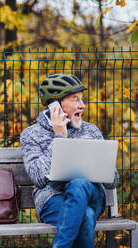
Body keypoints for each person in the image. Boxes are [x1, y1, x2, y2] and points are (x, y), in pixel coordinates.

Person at [20, 73, 119, 248]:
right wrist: (59, 138)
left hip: (92, 196)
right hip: (53, 199)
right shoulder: (31, 134)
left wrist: (100, 164)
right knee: (86, 216)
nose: (83, 105)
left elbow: (113, 181)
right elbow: (37, 177)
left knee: (79, 183)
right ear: (56, 105)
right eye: (75, 100)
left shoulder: (91, 131)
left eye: (82, 99)